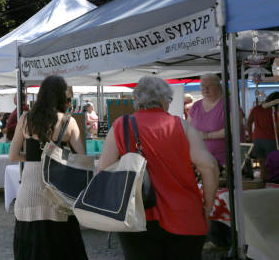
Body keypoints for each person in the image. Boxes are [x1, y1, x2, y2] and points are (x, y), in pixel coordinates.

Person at [98, 76, 219, 260]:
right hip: (185, 216)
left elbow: (103, 174)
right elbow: (209, 166)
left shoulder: (120, 127)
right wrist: (208, 205)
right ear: (164, 100)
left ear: (137, 100)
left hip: (136, 217)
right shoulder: (181, 126)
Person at [9, 75, 87, 259]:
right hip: (58, 195)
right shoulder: (69, 122)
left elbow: (12, 156)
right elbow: (81, 159)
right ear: (62, 97)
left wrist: (33, 159)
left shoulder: (26, 119)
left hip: (29, 194)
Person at [188, 73, 244, 166]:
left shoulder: (230, 104)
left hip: (227, 160)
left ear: (218, 87)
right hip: (201, 159)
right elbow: (188, 128)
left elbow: (233, 130)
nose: (205, 89)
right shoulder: (196, 105)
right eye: (203, 86)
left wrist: (207, 136)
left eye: (209, 86)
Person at [247, 91, 279, 182]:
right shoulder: (275, 110)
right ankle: (272, 184)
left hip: (257, 139)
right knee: (273, 165)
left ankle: (263, 183)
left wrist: (250, 136)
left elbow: (248, 123)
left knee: (262, 164)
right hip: (272, 139)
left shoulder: (256, 109)